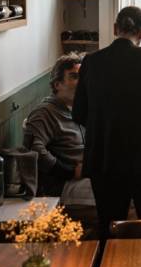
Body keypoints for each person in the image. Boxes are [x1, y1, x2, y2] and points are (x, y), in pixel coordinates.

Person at [72, 6, 141, 237]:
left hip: (104, 159)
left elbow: (78, 113)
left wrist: (105, 126)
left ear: (116, 28)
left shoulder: (91, 61)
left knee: (109, 228)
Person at [23, 52, 93, 204]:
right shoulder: (45, 112)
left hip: (87, 177)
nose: (81, 82)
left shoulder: (80, 109)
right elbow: (34, 150)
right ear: (57, 84)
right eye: (74, 77)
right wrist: (70, 171)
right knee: (122, 198)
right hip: (63, 185)